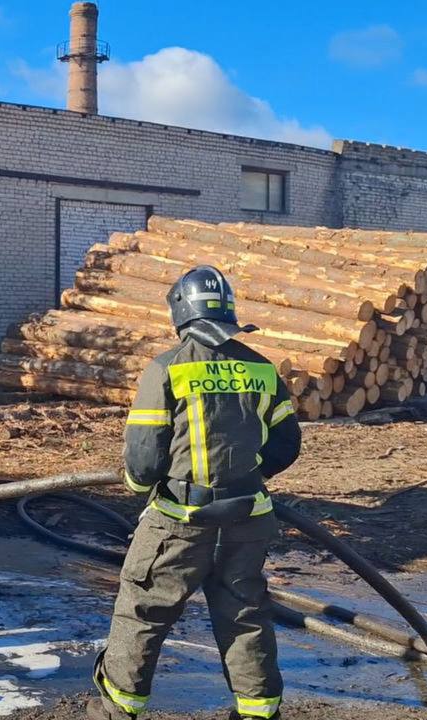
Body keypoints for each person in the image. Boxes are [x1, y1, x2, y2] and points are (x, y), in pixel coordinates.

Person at [88, 265, 302, 720]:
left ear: (180, 312)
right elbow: (288, 445)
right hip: (248, 519)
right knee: (244, 617)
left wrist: (139, 487)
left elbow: (143, 462)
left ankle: (116, 712)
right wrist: (246, 475)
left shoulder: (167, 368)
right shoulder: (261, 368)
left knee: (142, 613)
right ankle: (259, 713)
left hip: (180, 523)